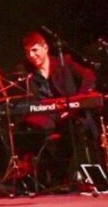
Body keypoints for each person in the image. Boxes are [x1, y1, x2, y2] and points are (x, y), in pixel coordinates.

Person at [18, 32, 99, 184]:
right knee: (27, 127)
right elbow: (30, 103)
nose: (31, 55)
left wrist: (79, 99)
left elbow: (89, 75)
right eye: (28, 52)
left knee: (75, 126)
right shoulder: (27, 73)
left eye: (35, 50)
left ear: (45, 48)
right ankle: (43, 178)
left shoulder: (64, 62)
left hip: (70, 113)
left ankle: (75, 176)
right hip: (47, 116)